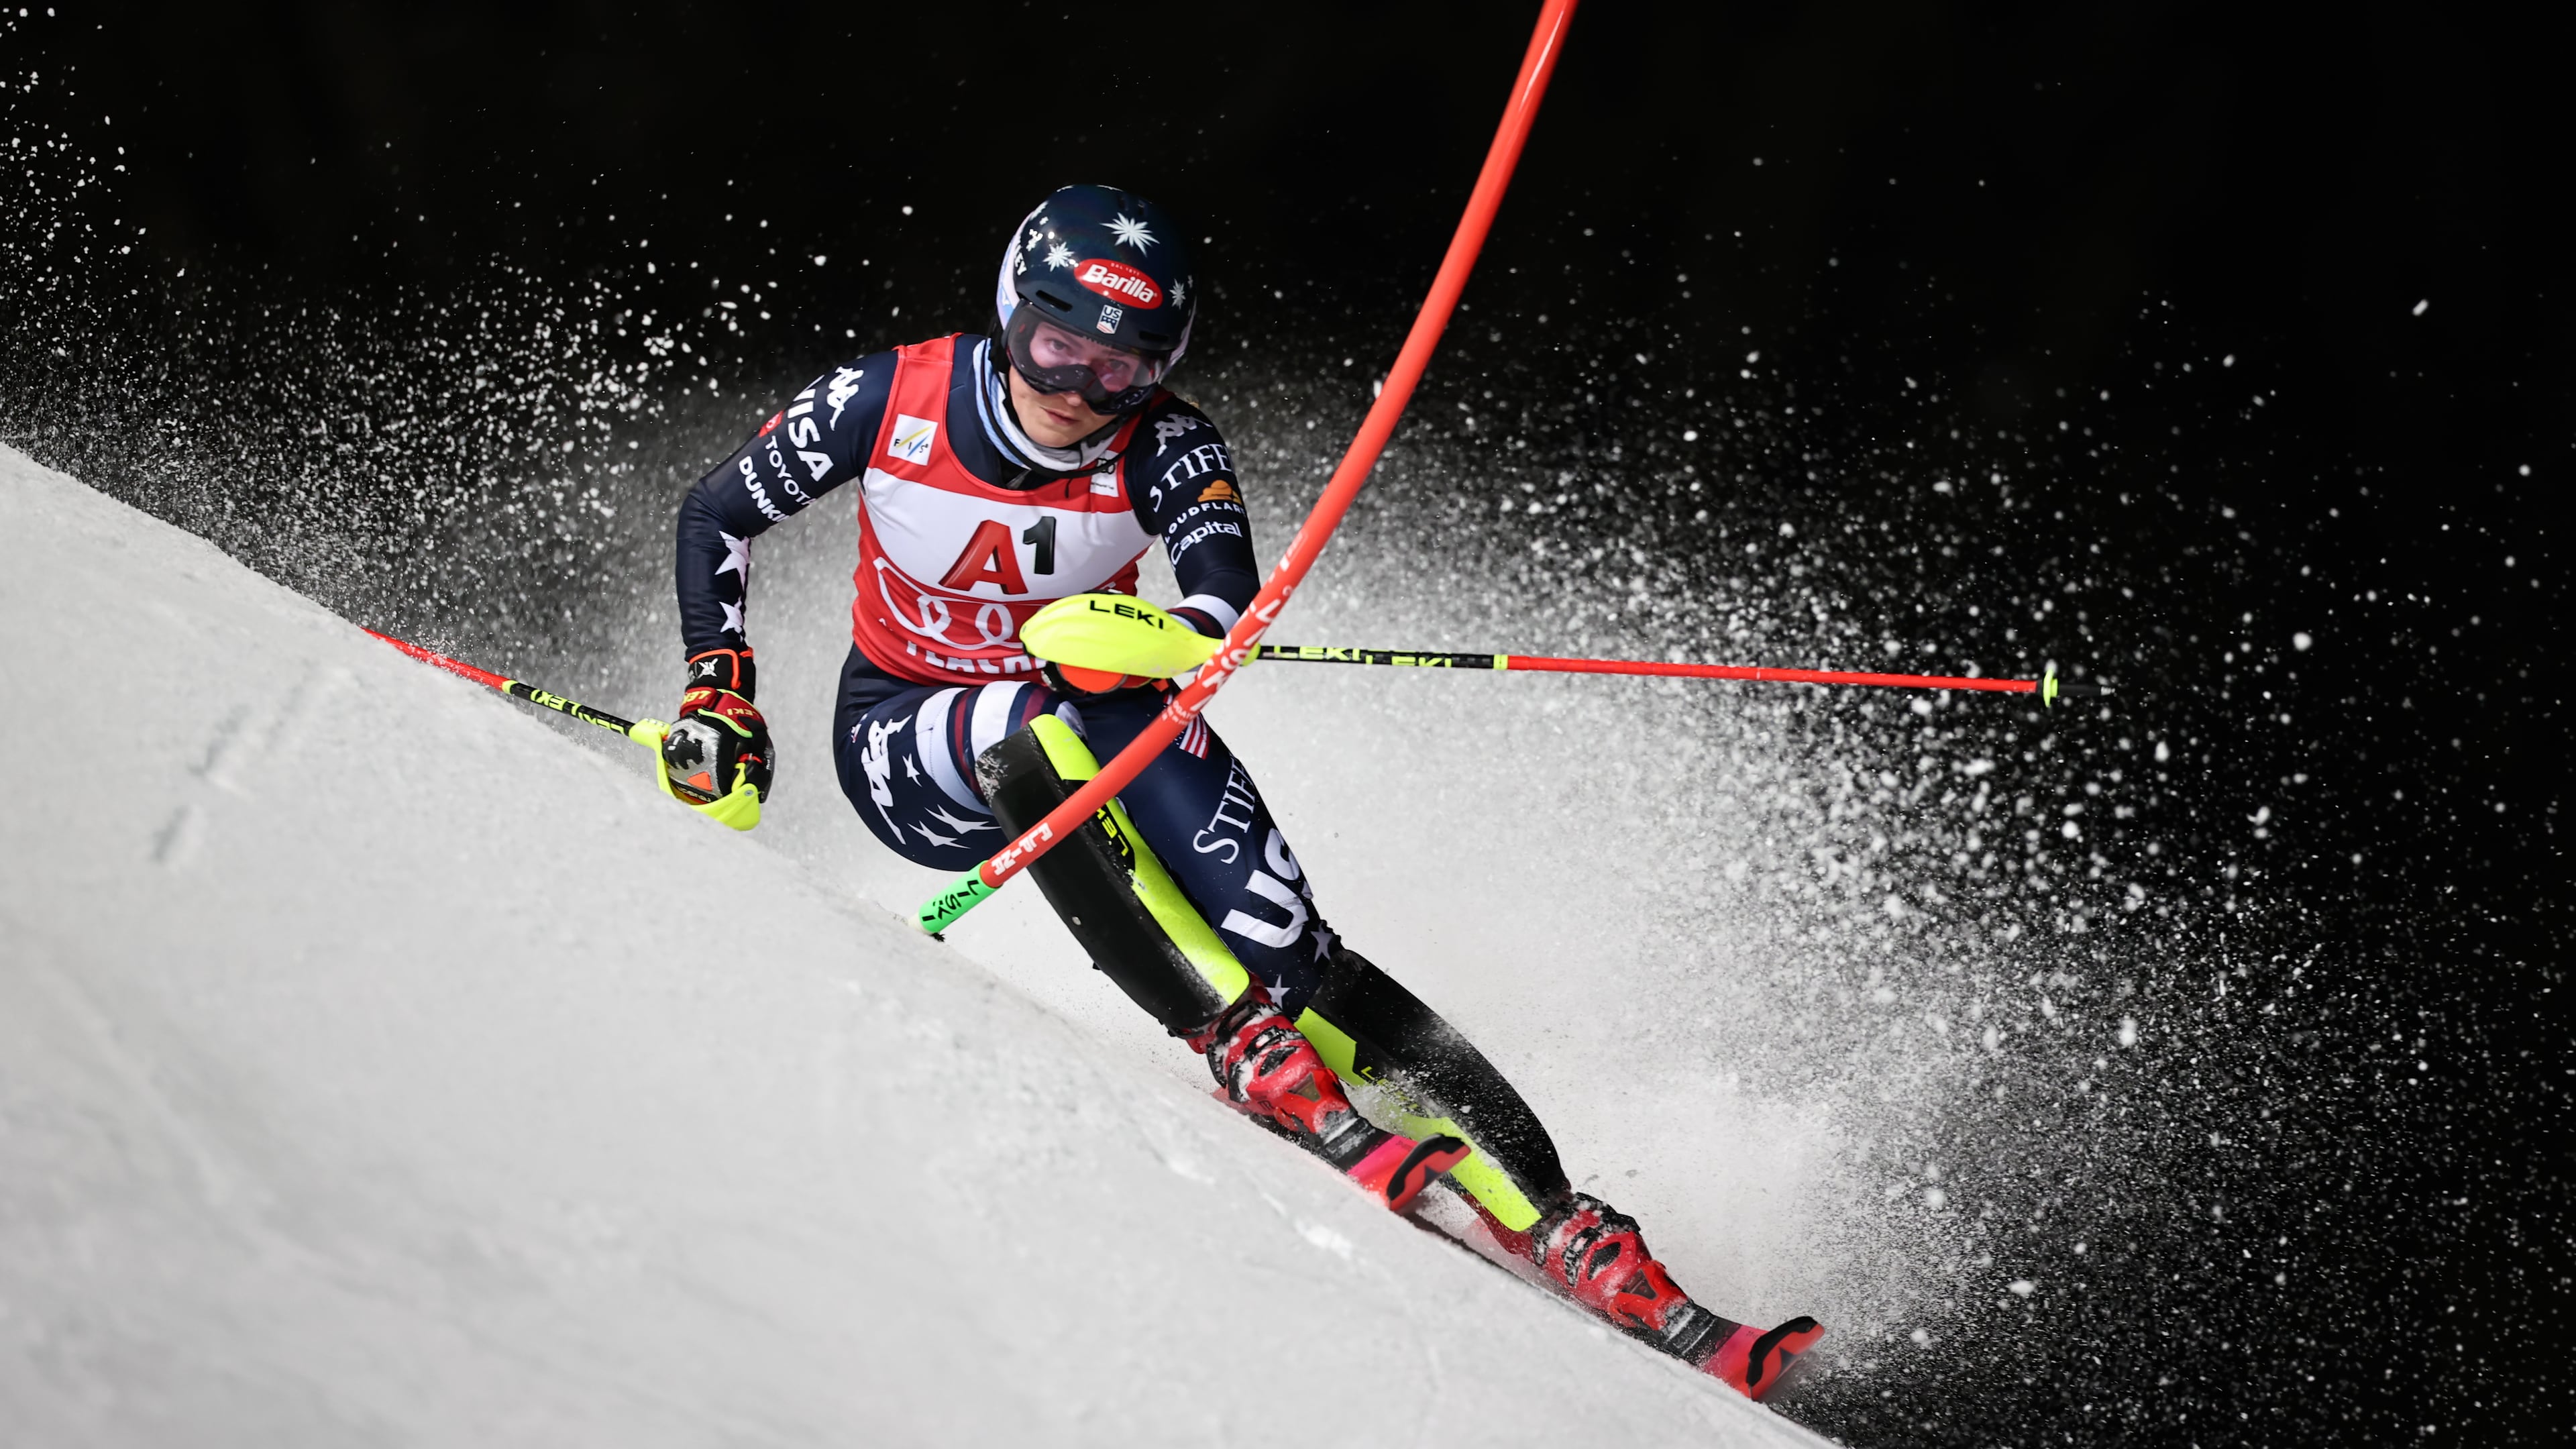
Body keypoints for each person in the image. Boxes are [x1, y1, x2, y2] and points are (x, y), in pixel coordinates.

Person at [662, 183, 1821, 1397]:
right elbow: (717, 515)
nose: (1077, 390)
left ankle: (1563, 1219)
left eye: (1120, 369)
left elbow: (1223, 597)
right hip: (909, 742)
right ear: (1013, 312)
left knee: (1301, 952)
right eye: (1056, 347)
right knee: (1032, 727)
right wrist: (722, 692)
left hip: (1097, 716)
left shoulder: (1169, 444)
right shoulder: (886, 397)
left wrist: (1162, 638)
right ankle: (1230, 1035)